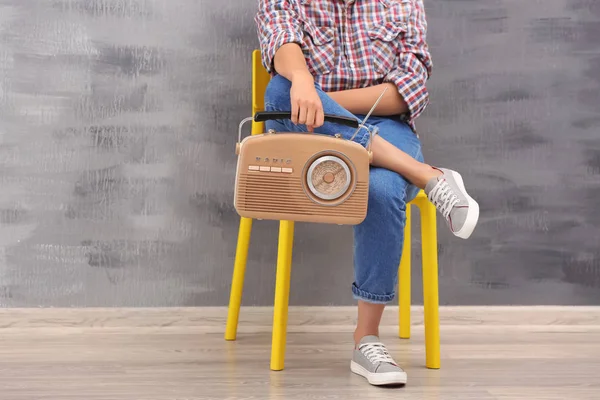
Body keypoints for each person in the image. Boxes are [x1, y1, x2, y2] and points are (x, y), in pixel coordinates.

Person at [255, 0, 479, 386]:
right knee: (280, 90)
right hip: (306, 128)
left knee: (382, 187)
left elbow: (407, 90)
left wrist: (322, 104)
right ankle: (427, 175)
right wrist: (304, 85)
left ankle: (366, 339)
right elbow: (280, 43)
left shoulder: (404, 3)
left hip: (362, 120)